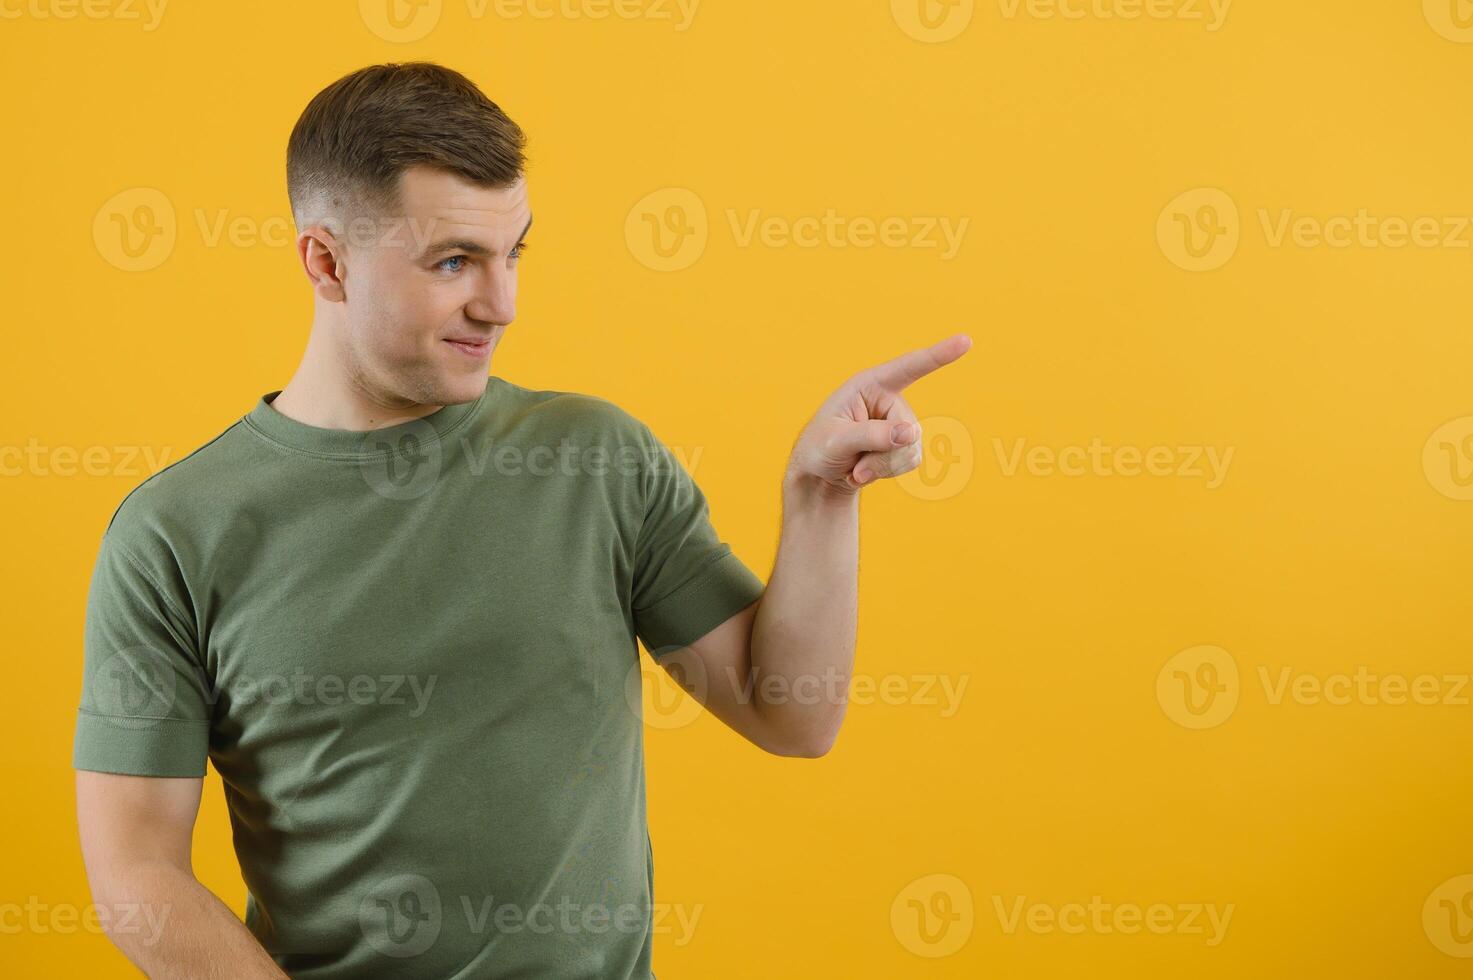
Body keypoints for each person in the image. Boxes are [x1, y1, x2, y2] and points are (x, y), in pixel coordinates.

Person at [72, 61, 971, 978]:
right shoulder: (173, 533)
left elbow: (792, 717)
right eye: (454, 261)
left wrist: (821, 496)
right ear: (327, 261)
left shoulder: (595, 460)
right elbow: (136, 872)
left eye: (515, 254)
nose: (500, 305)